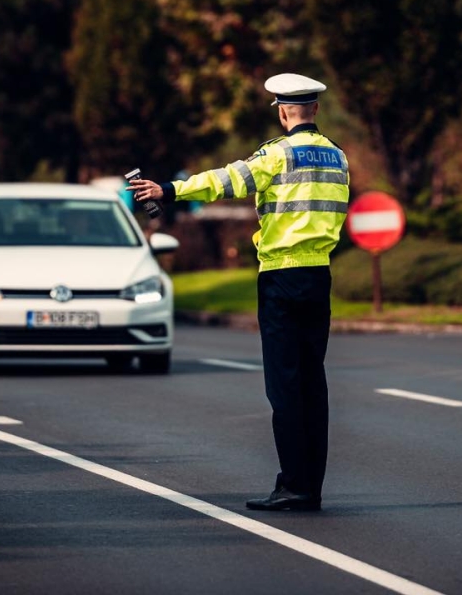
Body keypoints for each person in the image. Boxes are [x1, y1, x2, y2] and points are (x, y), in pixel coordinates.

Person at [127, 73, 350, 512]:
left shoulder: (278, 154)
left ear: (284, 111)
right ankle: (312, 487)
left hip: (281, 277)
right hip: (319, 276)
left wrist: (169, 190)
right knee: (312, 384)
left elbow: (227, 179)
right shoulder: (338, 157)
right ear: (316, 109)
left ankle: (293, 485)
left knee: (284, 387)